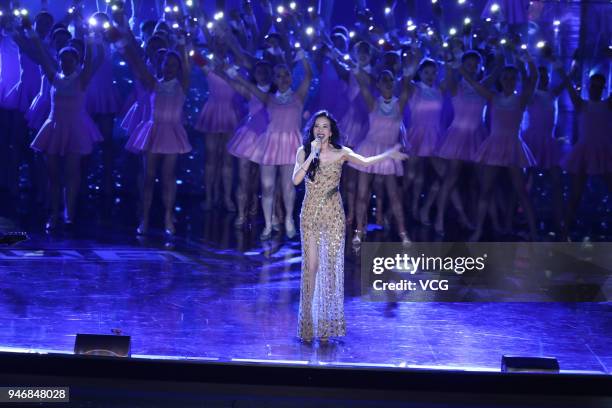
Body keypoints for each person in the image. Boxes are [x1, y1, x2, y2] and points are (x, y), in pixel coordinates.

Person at [292, 110, 408, 342]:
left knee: (328, 268)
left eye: (325, 126)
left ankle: (324, 327)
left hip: (333, 213)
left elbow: (365, 162)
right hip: (309, 215)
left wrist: (387, 154)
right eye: (317, 126)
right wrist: (311, 155)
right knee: (312, 267)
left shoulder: (341, 153)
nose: (320, 130)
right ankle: (307, 326)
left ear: (331, 131)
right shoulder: (304, 151)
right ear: (313, 130)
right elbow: (295, 180)